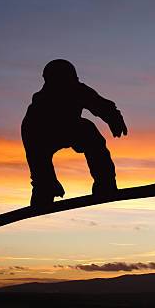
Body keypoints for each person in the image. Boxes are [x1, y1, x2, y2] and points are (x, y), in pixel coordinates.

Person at [21, 59, 128, 206]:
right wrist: (47, 183)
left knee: (90, 133)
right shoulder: (40, 103)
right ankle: (44, 188)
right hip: (41, 134)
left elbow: (98, 103)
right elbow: (35, 152)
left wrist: (113, 117)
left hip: (68, 129)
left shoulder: (77, 89)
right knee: (40, 158)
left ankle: (104, 183)